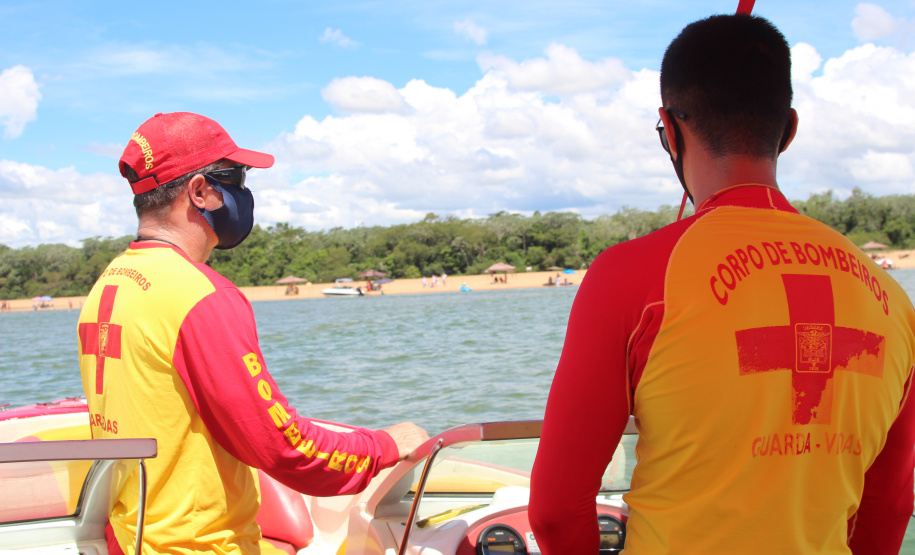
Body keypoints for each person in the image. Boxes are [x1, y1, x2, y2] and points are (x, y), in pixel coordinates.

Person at [529, 14, 915, 555]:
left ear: (670, 128)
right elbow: (890, 505)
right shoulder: (891, 299)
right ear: (788, 129)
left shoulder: (630, 276)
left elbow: (555, 510)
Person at [77, 112, 428, 554]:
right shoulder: (199, 297)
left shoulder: (111, 282)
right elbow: (281, 446)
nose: (244, 193)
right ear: (201, 191)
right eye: (237, 178)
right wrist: (385, 445)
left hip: (131, 537)